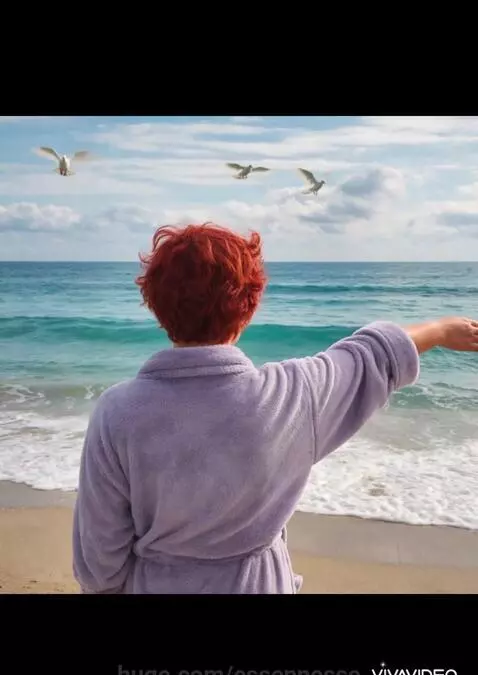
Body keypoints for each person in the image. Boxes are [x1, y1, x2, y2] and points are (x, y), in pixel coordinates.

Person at [72, 223, 478, 594]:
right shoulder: (292, 394)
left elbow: (98, 565)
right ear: (249, 306)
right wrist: (441, 330)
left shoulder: (118, 412)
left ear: (155, 305)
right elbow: (376, 351)